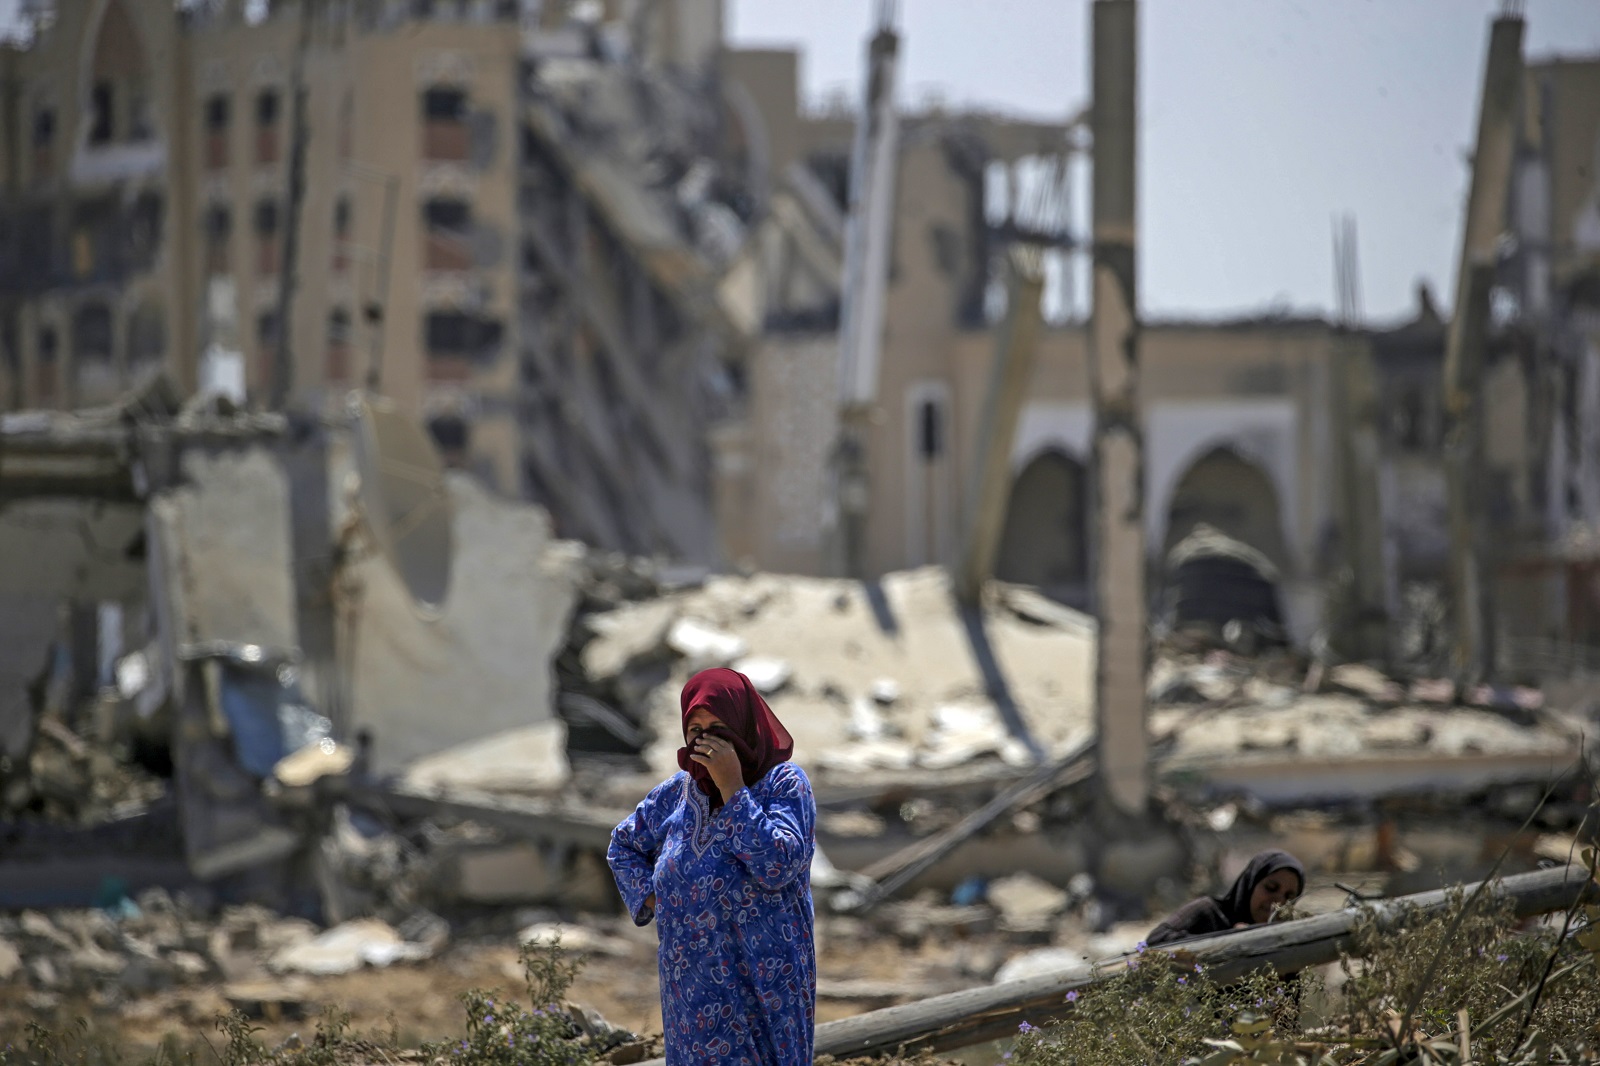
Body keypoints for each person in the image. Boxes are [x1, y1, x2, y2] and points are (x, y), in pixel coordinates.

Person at [607, 668, 817, 1066]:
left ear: (744, 722)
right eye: (695, 729)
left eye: (719, 727)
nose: (706, 741)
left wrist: (733, 787)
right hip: (692, 997)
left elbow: (778, 865)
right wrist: (657, 897)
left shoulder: (785, 785)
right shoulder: (675, 794)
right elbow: (623, 845)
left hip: (763, 989)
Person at [1147, 850, 1305, 946]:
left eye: (1289, 897)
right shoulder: (1208, 912)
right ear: (1250, 885)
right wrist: (1226, 940)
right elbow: (1156, 940)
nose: (1278, 902)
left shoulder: (1284, 940)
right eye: (1271, 888)